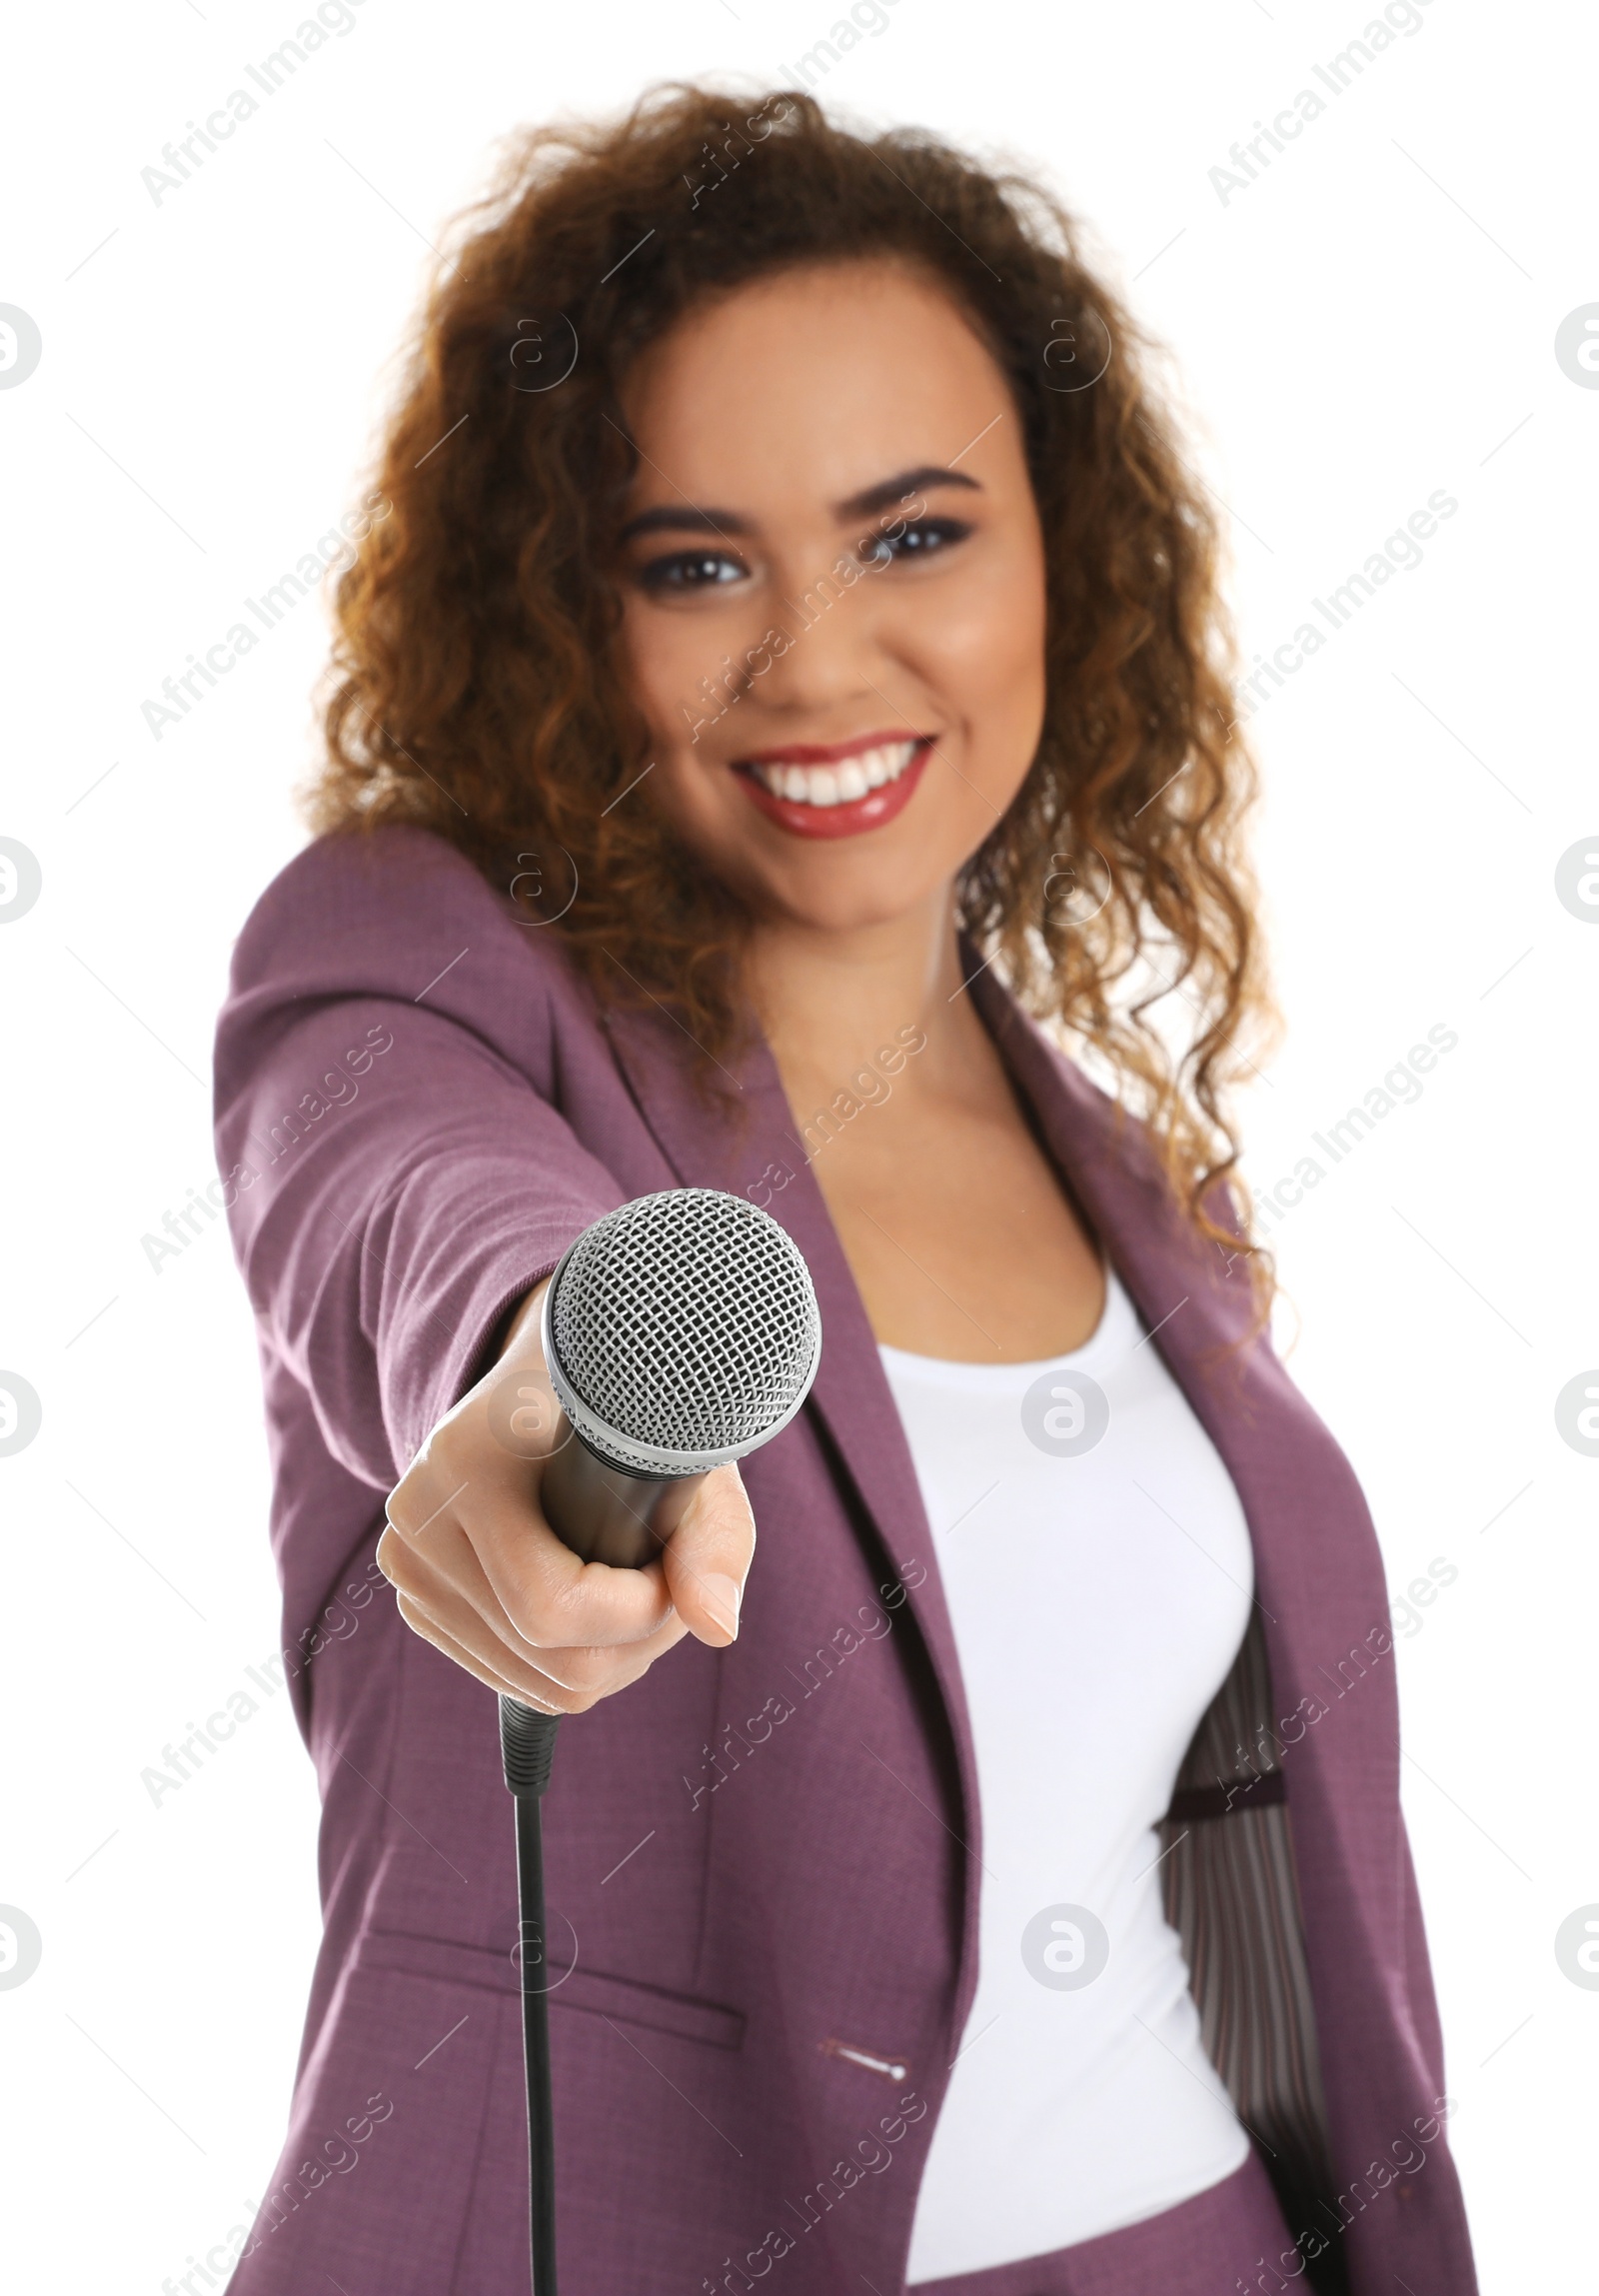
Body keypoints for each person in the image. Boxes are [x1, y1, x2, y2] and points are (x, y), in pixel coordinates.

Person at [213, 84, 1476, 2296]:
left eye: (909, 536)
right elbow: (399, 1201)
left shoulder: (1112, 1166)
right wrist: (545, 1395)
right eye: (693, 564)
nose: (813, 658)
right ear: (558, 615)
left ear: (1057, 554)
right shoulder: (421, 952)